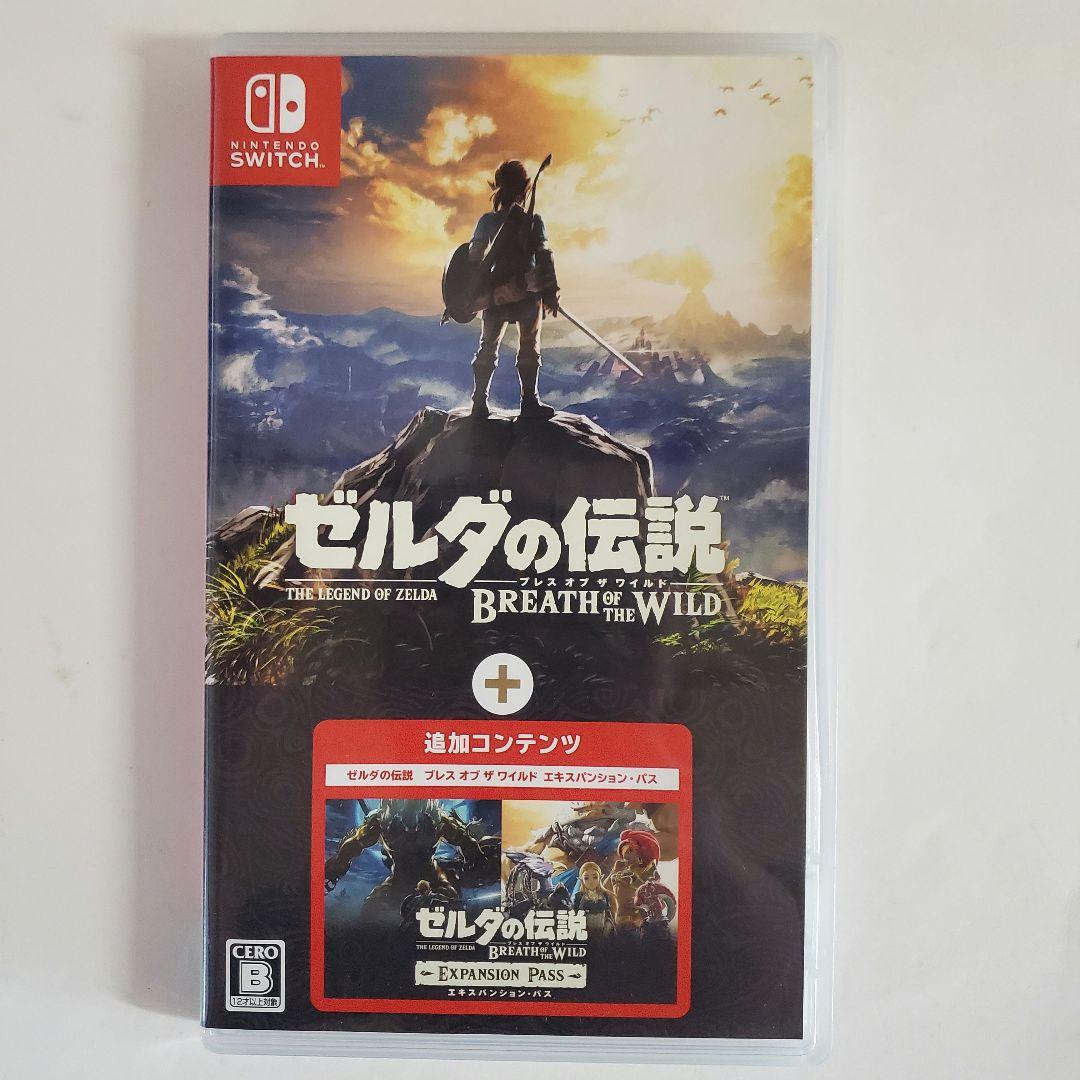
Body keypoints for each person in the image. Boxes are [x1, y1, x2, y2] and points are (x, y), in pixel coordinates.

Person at [467, 159, 560, 420]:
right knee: (528, 346)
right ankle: (529, 402)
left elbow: (474, 256)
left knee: (488, 347)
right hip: (527, 293)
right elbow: (544, 255)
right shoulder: (534, 221)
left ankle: (479, 402)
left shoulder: (487, 221)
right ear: (524, 188)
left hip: (496, 294)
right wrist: (550, 291)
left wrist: (477, 288)